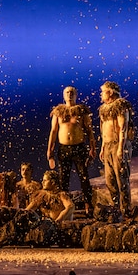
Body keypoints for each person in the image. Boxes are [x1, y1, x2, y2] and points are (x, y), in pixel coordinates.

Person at [48, 86, 97, 215]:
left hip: (79, 147)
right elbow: (53, 132)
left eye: (72, 92)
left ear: (76, 95)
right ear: (63, 96)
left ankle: (88, 204)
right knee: (63, 178)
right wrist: (50, 150)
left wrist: (93, 147)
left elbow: (89, 130)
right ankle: (64, 205)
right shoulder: (58, 112)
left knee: (84, 176)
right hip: (64, 148)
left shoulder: (81, 111)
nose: (69, 94)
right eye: (67, 92)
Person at [99, 81, 134, 217]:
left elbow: (123, 128)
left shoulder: (120, 106)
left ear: (111, 92)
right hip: (107, 146)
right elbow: (103, 130)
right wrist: (102, 147)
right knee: (110, 179)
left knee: (121, 178)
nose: (101, 94)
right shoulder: (104, 108)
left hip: (118, 145)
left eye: (103, 91)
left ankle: (126, 210)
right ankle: (115, 208)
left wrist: (120, 148)